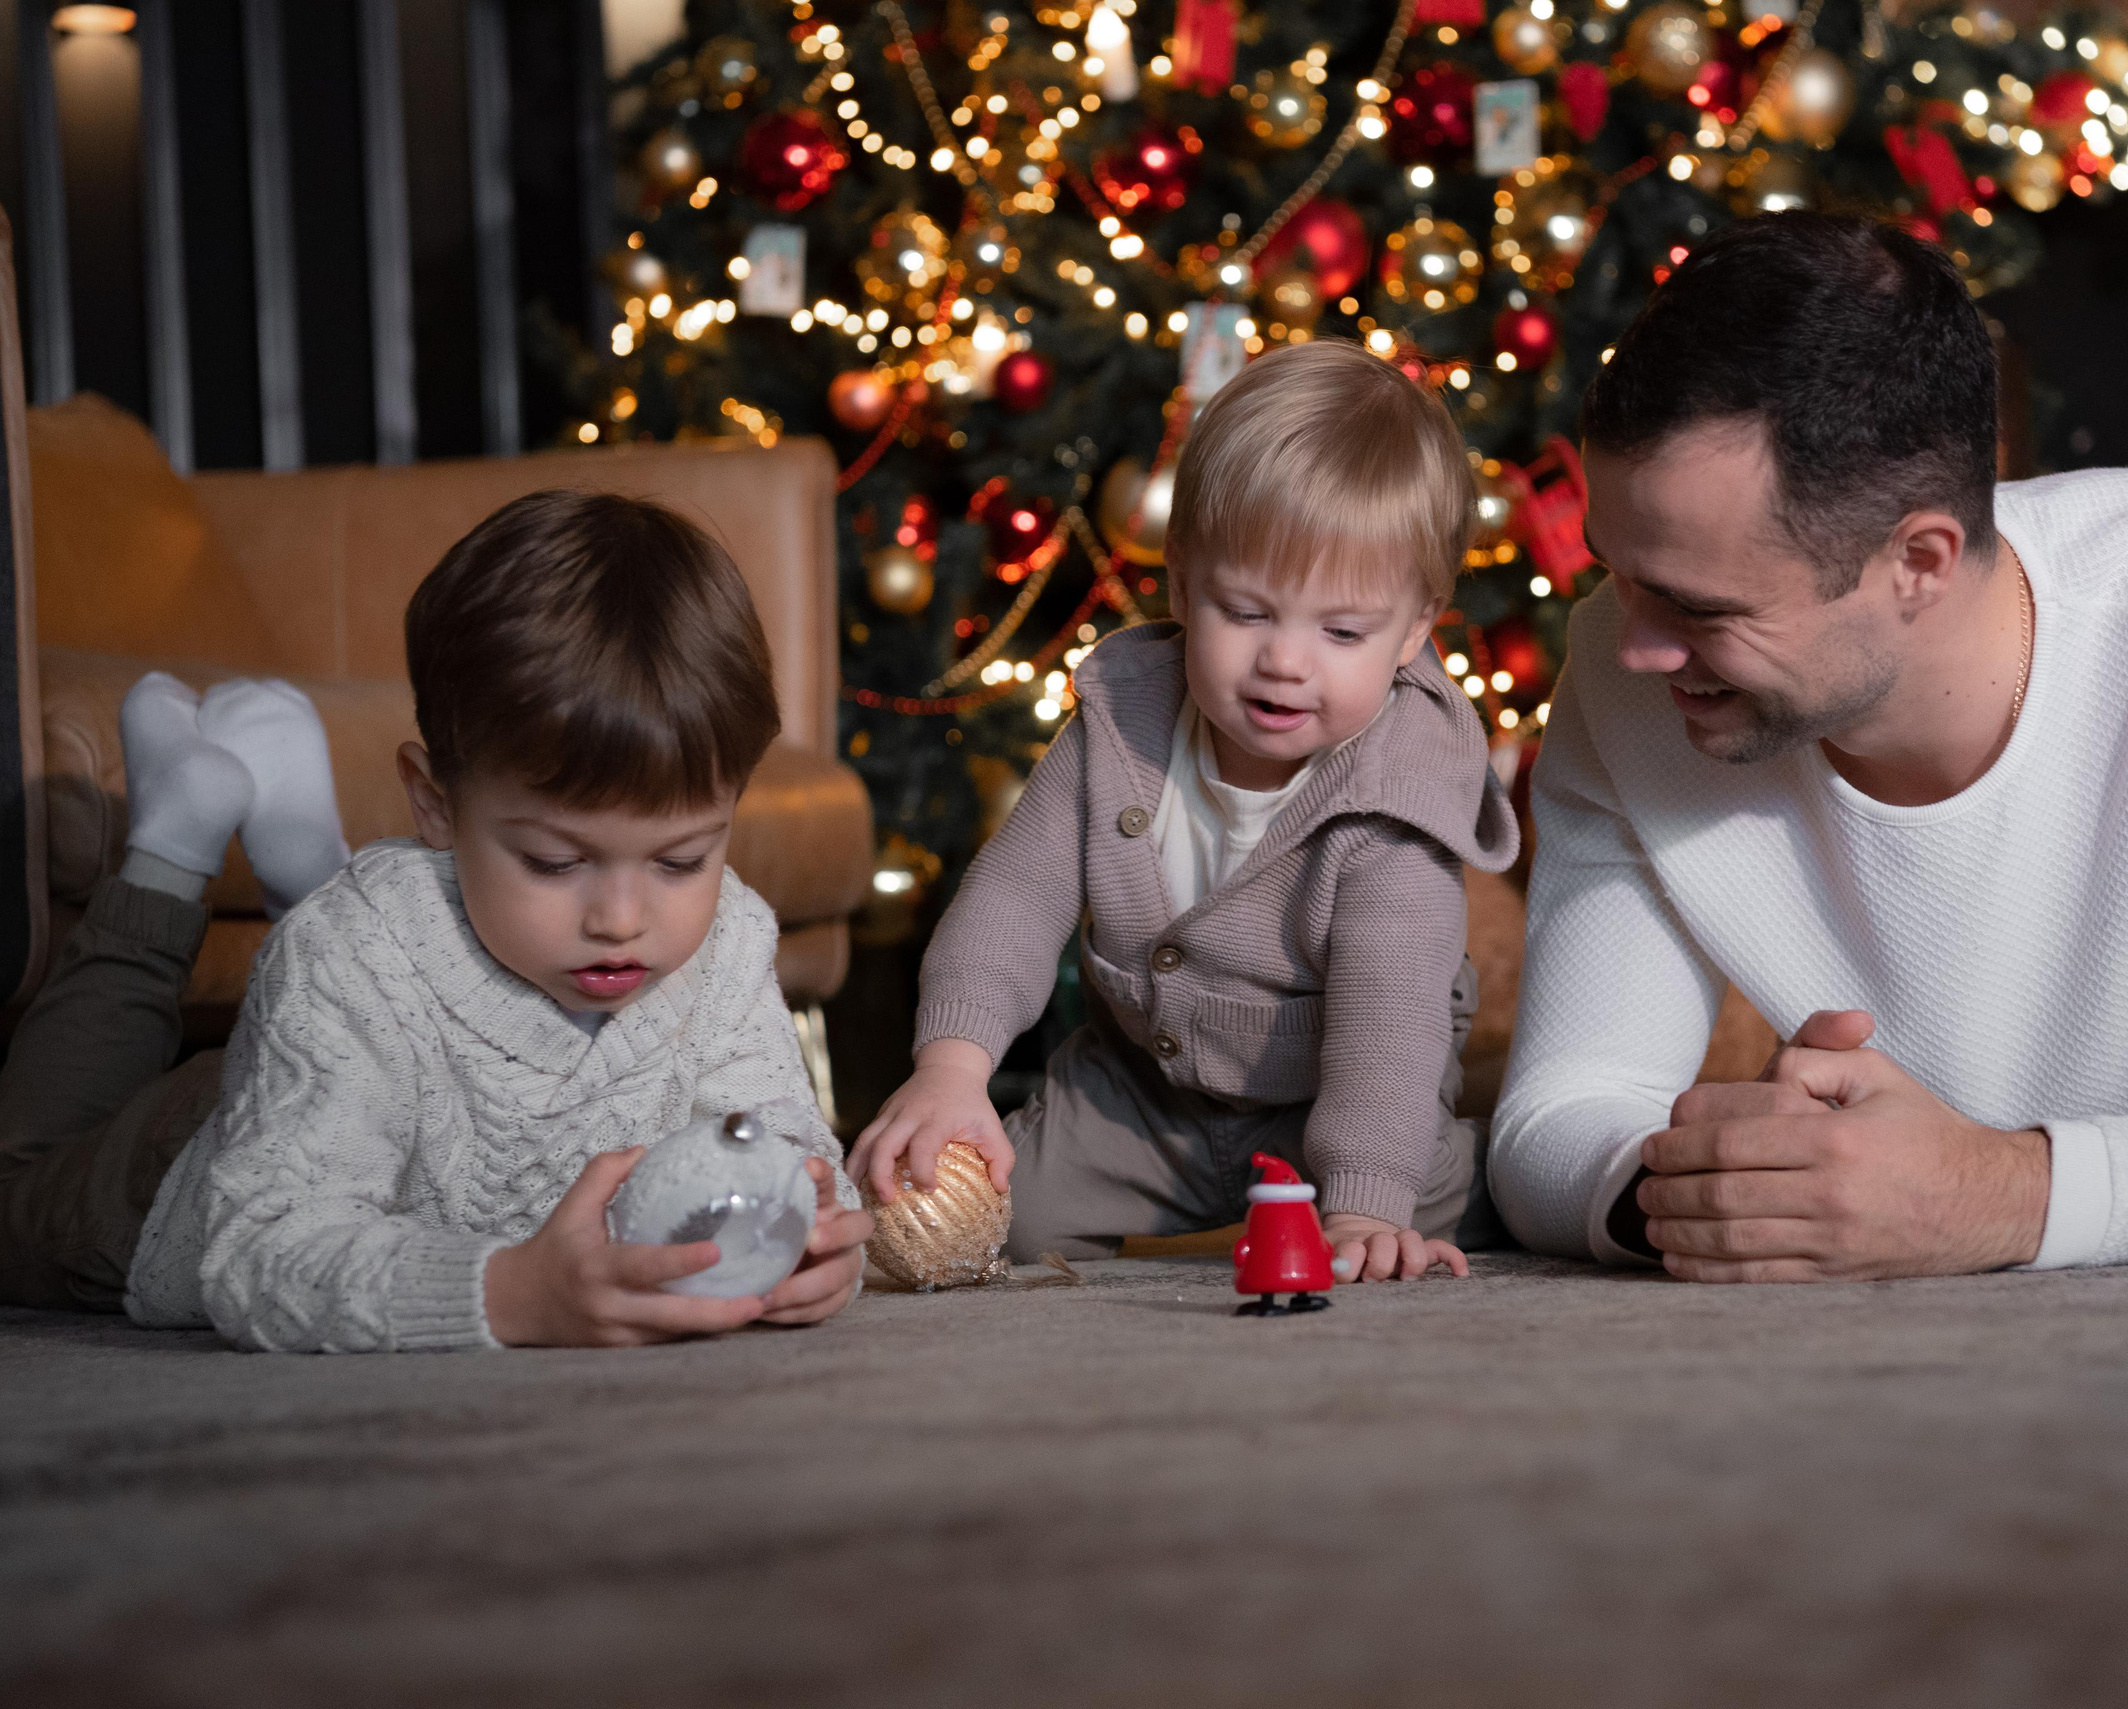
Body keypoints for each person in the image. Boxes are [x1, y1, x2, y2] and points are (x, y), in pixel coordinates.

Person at [1489, 213, 2128, 1281]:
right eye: (1617, 574)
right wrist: (1751, 1185)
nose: (1631, 646)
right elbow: (1558, 1120)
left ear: (1918, 560)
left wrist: (1999, 1192)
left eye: (1701, 606)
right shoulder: (1639, 673)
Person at [0, 491, 869, 1348]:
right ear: (434, 804)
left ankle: (302, 846)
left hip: (349, 1072)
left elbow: (790, 1143)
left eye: (681, 861)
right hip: (173, 1168)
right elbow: (262, 1249)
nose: (621, 918)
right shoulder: (346, 955)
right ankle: (170, 845)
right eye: (555, 863)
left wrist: (810, 1231)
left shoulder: (731, 940)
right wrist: (514, 1295)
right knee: (14, 1188)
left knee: (357, 960)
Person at [856, 338, 1519, 1281]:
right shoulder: (1122, 721)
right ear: (1180, 580)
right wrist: (952, 1066)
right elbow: (1014, 896)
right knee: (1021, 1210)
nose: (1286, 661)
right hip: (1143, 1093)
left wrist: (1366, 1203)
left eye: (1341, 631)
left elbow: (1390, 1022)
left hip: (1338, 1096)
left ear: (1414, 629)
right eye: (1245, 612)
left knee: (1434, 1205)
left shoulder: (1397, 798)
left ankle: (1477, 1169)